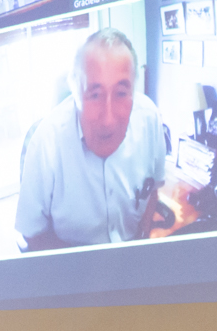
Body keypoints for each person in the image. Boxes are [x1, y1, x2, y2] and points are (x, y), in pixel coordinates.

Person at [14, 29, 169, 250]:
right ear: (75, 94)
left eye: (121, 93)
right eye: (94, 95)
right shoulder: (45, 142)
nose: (108, 120)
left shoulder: (150, 118)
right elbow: (32, 233)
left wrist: (142, 237)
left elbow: (153, 190)